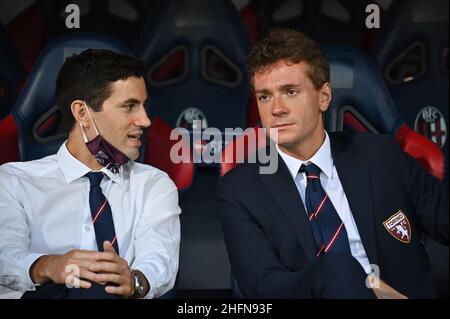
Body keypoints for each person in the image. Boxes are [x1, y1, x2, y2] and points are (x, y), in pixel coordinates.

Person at [217, 28, 448, 299]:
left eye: (290, 91)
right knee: (337, 269)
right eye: (264, 96)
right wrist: (355, 284)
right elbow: (261, 285)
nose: (276, 108)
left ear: (324, 97)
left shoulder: (382, 155)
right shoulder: (240, 188)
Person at [0, 49, 181, 299]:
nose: (145, 120)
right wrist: (48, 266)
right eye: (129, 107)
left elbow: (159, 261)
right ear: (82, 113)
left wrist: (133, 282)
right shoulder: (13, 181)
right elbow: (4, 257)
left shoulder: (153, 184)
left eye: (144, 106)